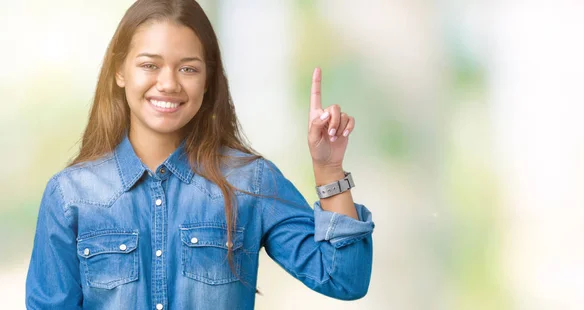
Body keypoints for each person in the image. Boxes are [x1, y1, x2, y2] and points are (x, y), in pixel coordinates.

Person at [25, 0, 374, 309]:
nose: (169, 83)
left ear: (208, 80)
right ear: (120, 71)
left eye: (188, 68)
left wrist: (329, 169)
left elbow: (343, 280)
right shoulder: (70, 195)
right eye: (150, 65)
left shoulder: (249, 181)